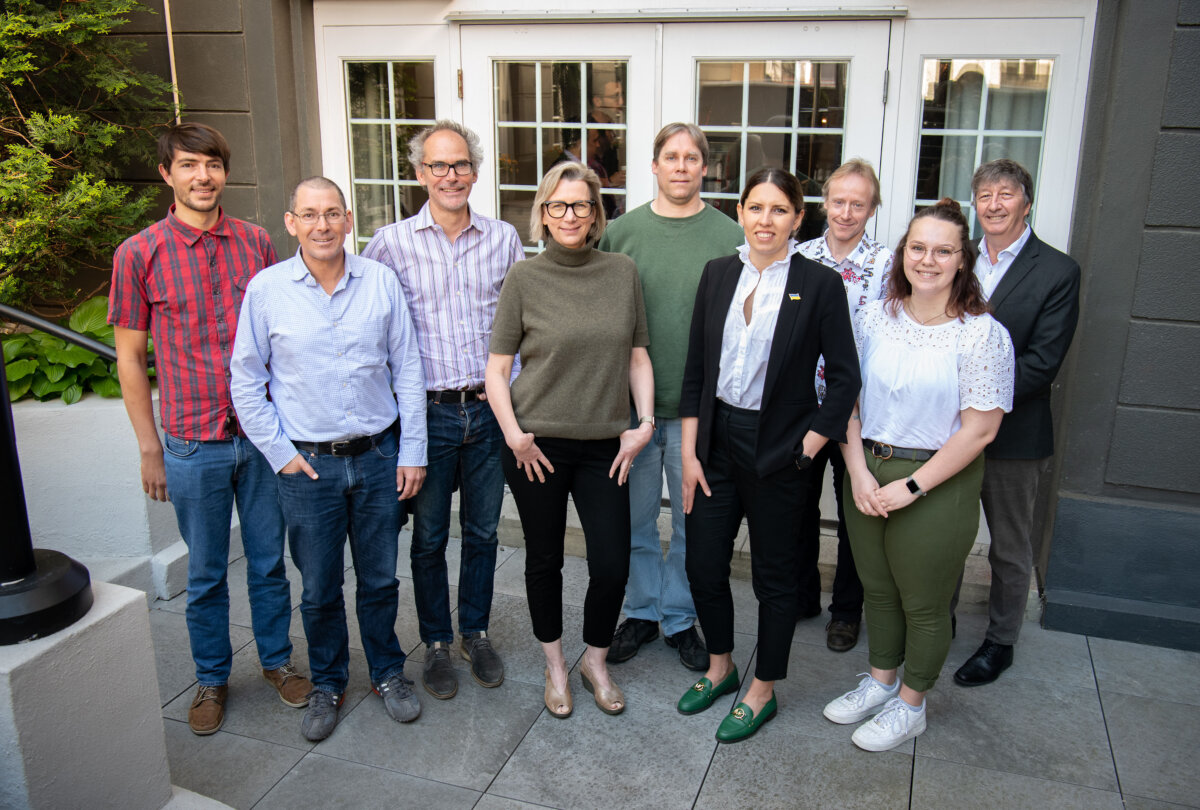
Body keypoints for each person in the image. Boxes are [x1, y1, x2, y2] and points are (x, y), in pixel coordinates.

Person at [109, 123, 309, 737]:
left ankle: (276, 661)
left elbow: (282, 335)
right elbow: (129, 358)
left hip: (260, 438)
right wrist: (150, 447)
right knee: (204, 573)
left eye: (213, 164)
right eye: (189, 165)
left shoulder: (254, 243)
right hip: (192, 441)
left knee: (270, 564)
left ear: (226, 172)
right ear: (167, 174)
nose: (203, 176)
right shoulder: (139, 253)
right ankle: (211, 678)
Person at [230, 177, 427, 742]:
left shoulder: (380, 281)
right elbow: (246, 380)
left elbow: (408, 369)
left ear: (348, 220)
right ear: (290, 223)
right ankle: (328, 681)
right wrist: (279, 454)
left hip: (376, 458)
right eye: (310, 215)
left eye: (333, 214)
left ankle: (388, 672)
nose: (323, 225)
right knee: (317, 586)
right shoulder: (267, 291)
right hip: (307, 468)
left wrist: (411, 450)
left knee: (379, 580)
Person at [822, 198, 1014, 752]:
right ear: (903, 253)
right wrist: (857, 470)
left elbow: (979, 431)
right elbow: (847, 396)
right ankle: (882, 681)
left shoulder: (981, 334)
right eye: (918, 247)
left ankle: (912, 704)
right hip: (867, 465)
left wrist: (910, 486)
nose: (928, 260)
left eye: (943, 250)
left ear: (962, 260)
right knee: (878, 590)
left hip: (936, 480)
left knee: (923, 601)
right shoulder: (875, 316)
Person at [677, 168, 859, 743]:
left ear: (798, 219)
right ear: (740, 211)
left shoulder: (820, 284)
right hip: (716, 441)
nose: (765, 220)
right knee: (703, 563)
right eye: (756, 207)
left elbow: (848, 378)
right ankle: (722, 667)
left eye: (779, 210)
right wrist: (689, 453)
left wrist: (809, 446)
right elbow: (695, 372)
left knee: (774, 579)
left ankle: (763, 689)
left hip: (780, 445)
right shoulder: (717, 274)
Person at [484, 161, 654, 719]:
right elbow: (497, 368)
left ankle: (595, 660)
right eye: (557, 205)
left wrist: (643, 425)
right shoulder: (524, 279)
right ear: (542, 214)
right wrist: (515, 438)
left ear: (596, 213)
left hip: (606, 443)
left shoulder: (622, 271)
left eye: (581, 205)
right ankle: (557, 665)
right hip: (537, 446)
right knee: (544, 560)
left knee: (611, 563)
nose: (569, 215)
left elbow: (637, 356)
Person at [362, 121, 523, 700]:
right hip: (425, 414)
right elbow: (369, 327)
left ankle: (473, 631)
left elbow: (521, 324)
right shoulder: (389, 243)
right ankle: (434, 642)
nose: (450, 176)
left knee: (481, 531)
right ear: (419, 173)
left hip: (486, 412)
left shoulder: (504, 239)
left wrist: (516, 401)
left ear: (475, 172)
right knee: (429, 537)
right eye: (438, 166)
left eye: (459, 165)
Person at [597, 123, 744, 671]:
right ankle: (640, 611)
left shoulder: (730, 236)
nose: (680, 166)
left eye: (691, 158)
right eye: (670, 157)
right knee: (632, 523)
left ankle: (680, 618)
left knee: (690, 526)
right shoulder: (621, 233)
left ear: (705, 167)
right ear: (653, 166)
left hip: (698, 414)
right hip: (632, 413)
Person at [952, 159, 1081, 687]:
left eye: (1006, 194)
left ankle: (1000, 641)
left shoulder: (1056, 271)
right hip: (948, 431)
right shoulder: (958, 260)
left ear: (1026, 203)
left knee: (1008, 546)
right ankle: (937, 623)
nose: (994, 204)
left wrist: (972, 400)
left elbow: (1042, 362)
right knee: (947, 536)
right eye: (985, 195)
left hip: (1014, 433)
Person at [796, 159, 893, 652]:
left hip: (862, 412)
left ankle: (847, 611)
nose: (846, 212)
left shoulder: (889, 264)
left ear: (872, 209)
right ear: (824, 203)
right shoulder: (800, 256)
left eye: (858, 204)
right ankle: (804, 593)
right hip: (804, 408)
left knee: (857, 510)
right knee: (799, 506)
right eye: (838, 201)